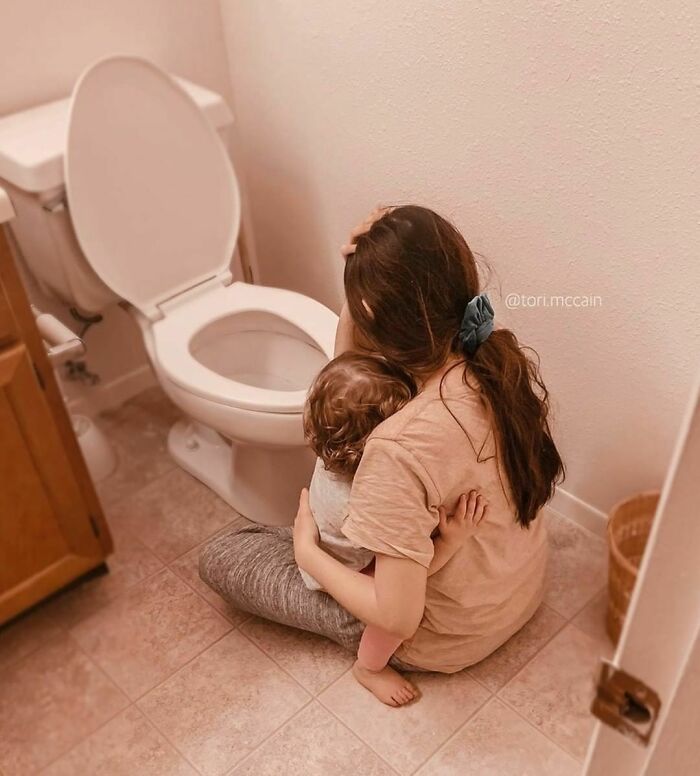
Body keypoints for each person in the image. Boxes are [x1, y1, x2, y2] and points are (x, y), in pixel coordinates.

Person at [200, 204, 564, 705]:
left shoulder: (395, 449)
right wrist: (367, 276)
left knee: (224, 554)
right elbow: (349, 375)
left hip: (445, 632)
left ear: (375, 314)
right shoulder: (487, 356)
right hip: (511, 589)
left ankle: (359, 647)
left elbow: (395, 616)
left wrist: (308, 554)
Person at [302, 352, 487, 703]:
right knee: (396, 616)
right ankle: (369, 668)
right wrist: (449, 541)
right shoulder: (371, 497)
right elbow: (404, 591)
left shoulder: (331, 448)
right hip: (345, 568)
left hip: (325, 538)